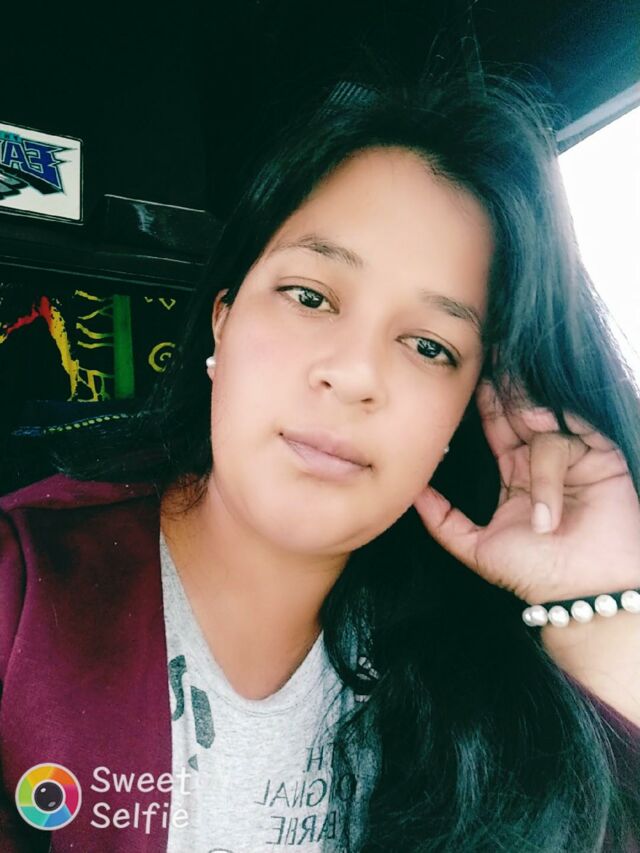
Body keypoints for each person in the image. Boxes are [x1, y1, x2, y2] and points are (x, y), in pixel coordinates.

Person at [1, 68, 640, 852]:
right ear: (223, 320)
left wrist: (597, 603)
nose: (356, 373)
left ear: (463, 415)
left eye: (429, 346)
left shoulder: (480, 661)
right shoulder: (18, 593)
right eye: (310, 296)